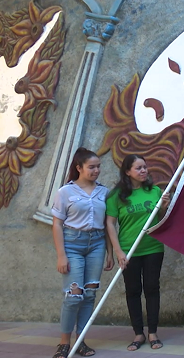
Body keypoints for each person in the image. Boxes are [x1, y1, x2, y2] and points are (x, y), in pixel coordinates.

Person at [51, 148, 113, 358]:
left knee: (90, 295)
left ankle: (81, 342)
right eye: (91, 167)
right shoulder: (65, 192)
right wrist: (61, 255)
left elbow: (108, 225)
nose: (96, 170)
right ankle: (64, 343)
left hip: (96, 245)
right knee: (73, 296)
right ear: (79, 168)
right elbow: (57, 224)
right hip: (72, 244)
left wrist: (110, 253)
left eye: (98, 166)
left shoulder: (103, 192)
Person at [105, 154, 170, 351]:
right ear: (127, 172)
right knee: (133, 291)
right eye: (138, 168)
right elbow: (109, 224)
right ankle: (138, 333)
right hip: (128, 251)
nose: (143, 171)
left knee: (152, 288)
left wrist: (164, 207)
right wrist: (118, 251)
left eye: (144, 167)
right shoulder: (116, 196)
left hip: (153, 248)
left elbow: (160, 219)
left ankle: (153, 332)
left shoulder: (155, 191)